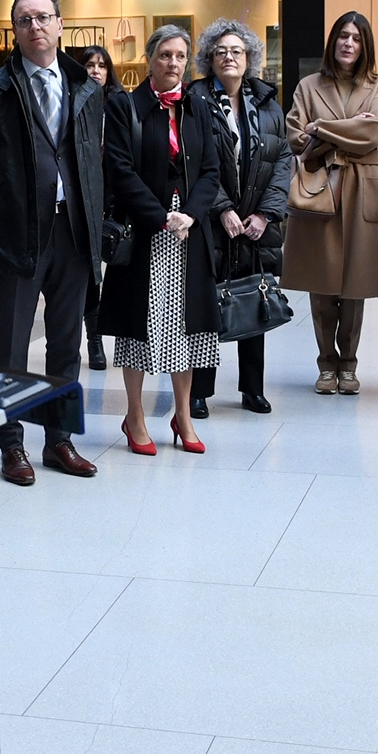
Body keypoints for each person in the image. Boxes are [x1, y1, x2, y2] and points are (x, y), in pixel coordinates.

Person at [0, 0, 106, 486]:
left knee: (66, 343)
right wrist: (4, 211)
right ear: (15, 31)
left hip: (74, 232)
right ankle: (11, 444)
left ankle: (58, 441)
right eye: (24, 20)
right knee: (10, 345)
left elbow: (91, 157)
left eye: (44, 17)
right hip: (17, 237)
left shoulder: (86, 86)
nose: (35, 27)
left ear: (61, 24)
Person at [100, 26, 222, 452]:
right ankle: (134, 417)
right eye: (165, 55)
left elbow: (211, 169)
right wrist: (159, 216)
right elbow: (119, 169)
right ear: (150, 58)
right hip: (144, 230)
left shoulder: (198, 106)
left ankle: (183, 416)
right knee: (138, 326)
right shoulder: (124, 106)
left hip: (189, 232)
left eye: (180, 56)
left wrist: (190, 214)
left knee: (187, 327)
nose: (173, 63)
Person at [285, 11, 378, 394]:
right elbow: (296, 138)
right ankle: (326, 364)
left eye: (357, 38)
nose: (349, 43)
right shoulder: (308, 85)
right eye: (343, 36)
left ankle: (349, 364)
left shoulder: (377, 85)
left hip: (363, 187)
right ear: (333, 42)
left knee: (355, 282)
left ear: (365, 45)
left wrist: (321, 129)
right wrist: (344, 129)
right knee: (322, 282)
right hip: (321, 187)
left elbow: (373, 134)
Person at [187, 20, 290, 416]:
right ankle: (199, 390)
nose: (229, 57)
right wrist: (222, 208)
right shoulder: (194, 100)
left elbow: (282, 159)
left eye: (237, 51)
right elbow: (194, 162)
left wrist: (265, 214)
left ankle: (252, 389)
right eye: (220, 52)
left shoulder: (267, 104)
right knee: (205, 306)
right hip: (209, 223)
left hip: (255, 222)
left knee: (254, 298)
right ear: (209, 60)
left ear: (249, 59)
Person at [73, 44, 125, 371]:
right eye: (90, 65)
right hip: (84, 199)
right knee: (91, 273)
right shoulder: (74, 104)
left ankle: (127, 336)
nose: (95, 70)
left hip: (117, 199)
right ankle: (93, 341)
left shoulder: (120, 104)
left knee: (121, 271)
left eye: (102, 65)